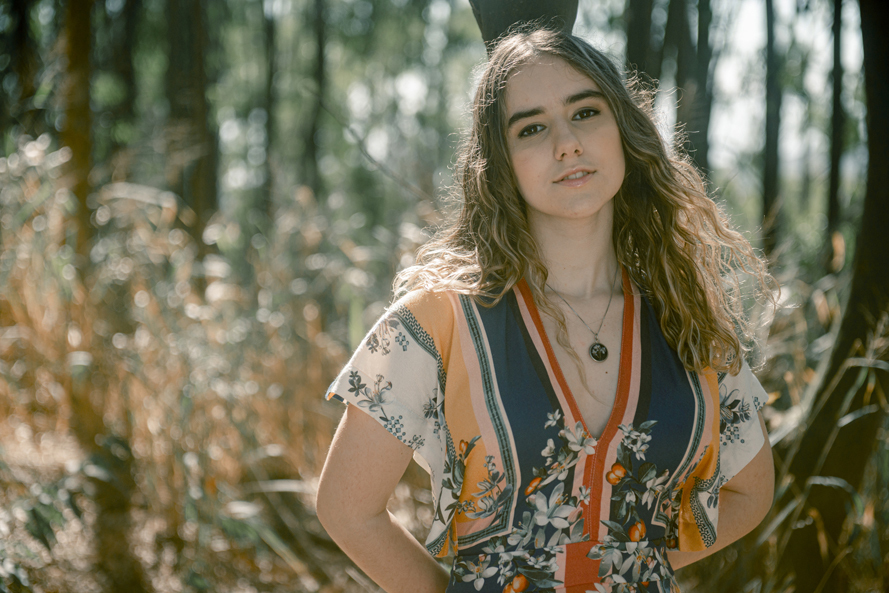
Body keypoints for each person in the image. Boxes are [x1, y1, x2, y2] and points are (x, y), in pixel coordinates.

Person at [316, 26, 775, 593]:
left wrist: (628, 567)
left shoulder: (685, 316)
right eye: (531, 128)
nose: (567, 143)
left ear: (623, 129)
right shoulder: (439, 321)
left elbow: (750, 493)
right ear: (501, 162)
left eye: (585, 113)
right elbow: (347, 509)